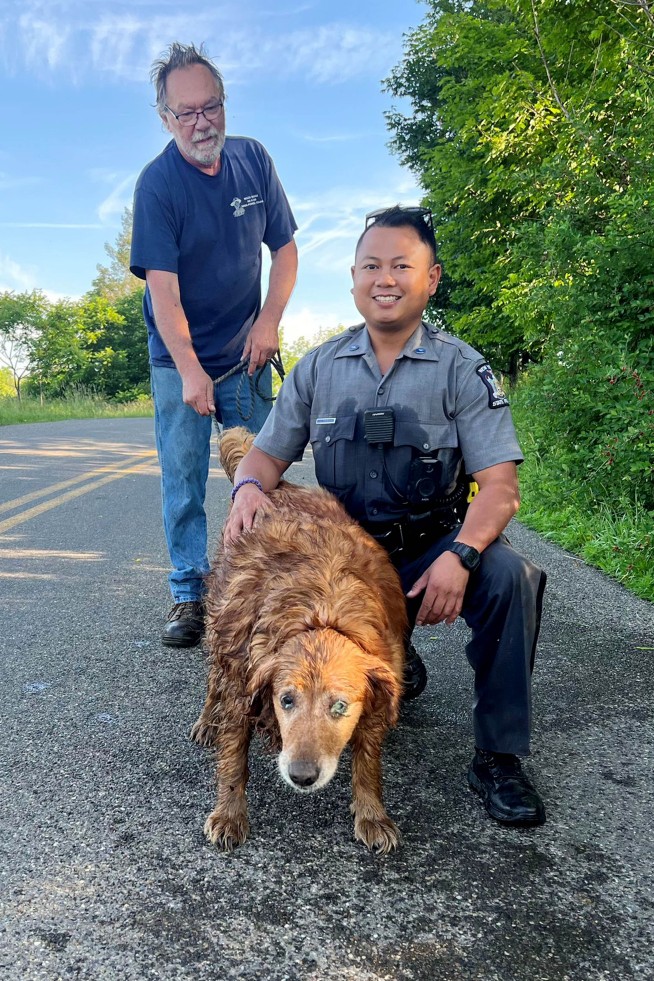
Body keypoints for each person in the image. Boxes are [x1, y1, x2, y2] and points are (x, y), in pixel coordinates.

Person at [223, 205, 547, 827]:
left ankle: (499, 757)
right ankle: (387, 654)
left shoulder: (461, 369)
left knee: (512, 577)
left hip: (429, 550)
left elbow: (500, 490)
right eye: (372, 265)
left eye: (403, 265)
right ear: (352, 279)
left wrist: (463, 555)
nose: (385, 278)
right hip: (340, 560)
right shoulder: (320, 367)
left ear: (432, 278)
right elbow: (265, 457)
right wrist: (245, 490)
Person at [130, 42, 298, 648]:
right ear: (166, 117)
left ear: (224, 103)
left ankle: (266, 587)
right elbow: (164, 295)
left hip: (247, 351)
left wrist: (269, 320)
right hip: (178, 359)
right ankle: (187, 593)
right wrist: (191, 371)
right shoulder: (158, 186)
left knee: (261, 471)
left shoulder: (254, 161)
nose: (202, 122)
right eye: (186, 112)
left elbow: (285, 250)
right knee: (183, 478)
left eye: (212, 106)